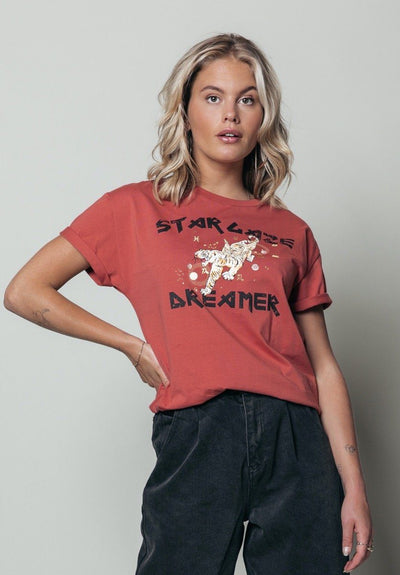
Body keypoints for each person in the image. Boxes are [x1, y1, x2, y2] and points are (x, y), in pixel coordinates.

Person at [4, 33, 372, 575]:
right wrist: (130, 345)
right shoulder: (134, 208)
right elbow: (24, 291)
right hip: (199, 431)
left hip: (296, 439)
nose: (231, 114)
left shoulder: (292, 231)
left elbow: (323, 367)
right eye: (213, 97)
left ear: (264, 116)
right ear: (186, 110)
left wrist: (353, 486)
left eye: (247, 99)